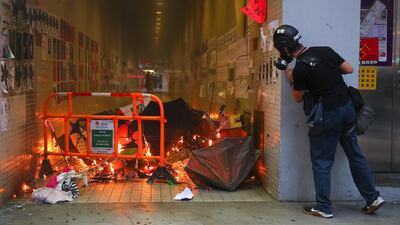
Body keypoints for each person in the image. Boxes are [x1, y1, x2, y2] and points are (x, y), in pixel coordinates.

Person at [273, 25, 385, 218]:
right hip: (348, 109)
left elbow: (298, 98)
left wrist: (291, 78)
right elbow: (348, 69)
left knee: (322, 161)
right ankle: (373, 198)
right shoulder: (325, 50)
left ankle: (324, 207)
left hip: (328, 115)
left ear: (284, 49)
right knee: (355, 154)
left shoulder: (300, 69)